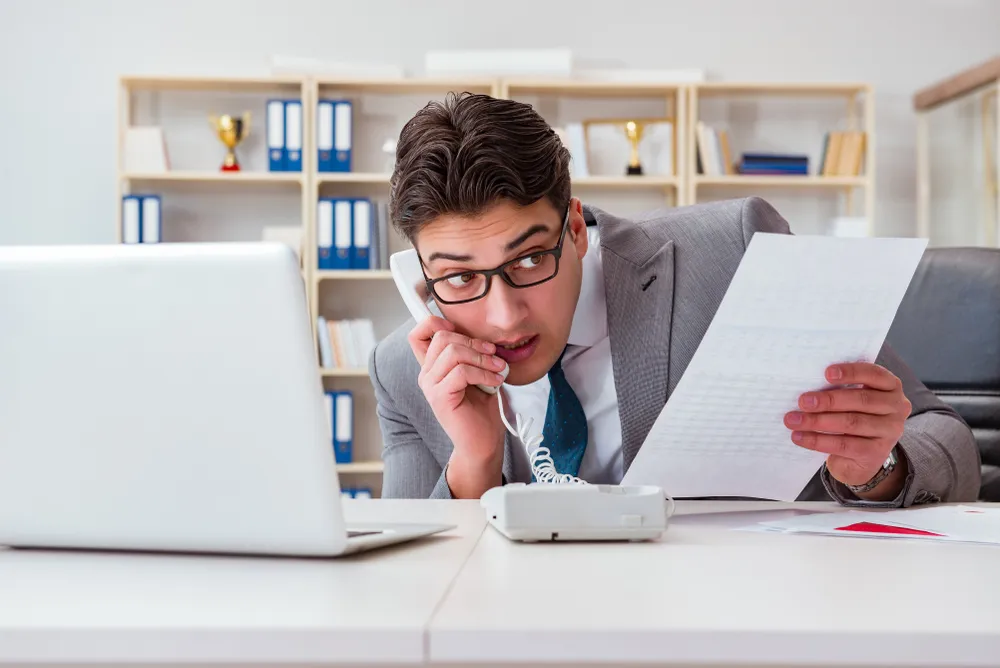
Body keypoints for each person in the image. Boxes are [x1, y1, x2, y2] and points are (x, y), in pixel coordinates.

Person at [369, 91, 981, 505]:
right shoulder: (406, 371)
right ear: (420, 277)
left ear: (575, 229)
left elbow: (945, 437)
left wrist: (876, 467)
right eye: (458, 278)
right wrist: (475, 460)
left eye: (531, 259)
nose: (504, 316)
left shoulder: (732, 255)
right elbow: (415, 599)